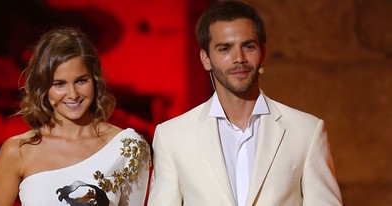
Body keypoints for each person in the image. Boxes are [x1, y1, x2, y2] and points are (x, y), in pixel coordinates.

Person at [147, 1, 342, 205]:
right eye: (225, 49)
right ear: (206, 58)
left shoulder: (306, 131)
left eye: (248, 46)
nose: (239, 58)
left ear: (263, 53)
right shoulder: (172, 137)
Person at [0, 27, 151, 206]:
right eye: (59, 84)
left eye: (81, 81)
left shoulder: (127, 147)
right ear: (43, 88)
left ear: (95, 81)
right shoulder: (18, 151)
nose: (72, 94)